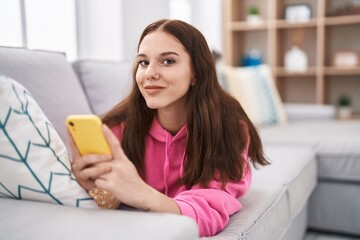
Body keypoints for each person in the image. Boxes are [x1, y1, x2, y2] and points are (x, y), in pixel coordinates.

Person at [69, 19, 269, 237]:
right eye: (143, 62)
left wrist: (142, 194)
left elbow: (210, 211)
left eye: (167, 61)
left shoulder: (228, 128)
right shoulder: (118, 128)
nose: (149, 74)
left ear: (196, 73)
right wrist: (93, 188)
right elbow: (111, 202)